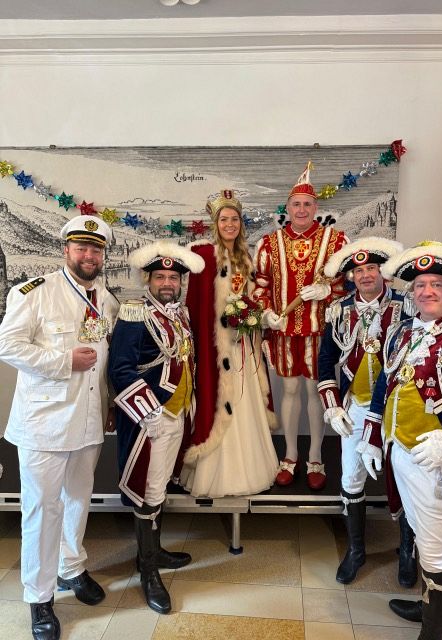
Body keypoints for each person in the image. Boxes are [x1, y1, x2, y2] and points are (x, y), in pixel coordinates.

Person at [0, 215, 119, 640]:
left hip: (87, 420)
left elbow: (105, 358)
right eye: (81, 247)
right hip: (44, 424)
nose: (89, 255)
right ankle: (39, 596)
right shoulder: (34, 292)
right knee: (42, 509)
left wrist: (108, 401)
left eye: (96, 249)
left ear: (103, 255)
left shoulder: (106, 300)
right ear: (65, 249)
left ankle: (71, 567)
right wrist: (63, 361)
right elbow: (7, 345)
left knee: (77, 499)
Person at [358, 241, 442, 640]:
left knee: (439, 551)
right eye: (420, 285)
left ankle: (435, 632)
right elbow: (385, 383)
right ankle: (437, 610)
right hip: (402, 453)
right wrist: (372, 436)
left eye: (437, 284)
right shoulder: (404, 332)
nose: (426, 291)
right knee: (424, 538)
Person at [108, 240, 204, 614]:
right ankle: (148, 571)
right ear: (147, 279)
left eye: (173, 278)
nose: (167, 283)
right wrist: (147, 411)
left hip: (177, 413)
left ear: (180, 282)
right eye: (160, 277)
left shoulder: (180, 314)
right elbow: (120, 369)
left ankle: (154, 552)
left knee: (160, 486)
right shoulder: (135, 313)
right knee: (148, 490)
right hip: (151, 415)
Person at [318, 237, 417, 585]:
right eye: (358, 270)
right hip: (356, 407)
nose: (365, 275)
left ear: (383, 272)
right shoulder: (338, 310)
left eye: (371, 268)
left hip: (398, 408)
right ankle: (356, 550)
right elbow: (326, 360)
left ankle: (408, 552)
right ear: (351, 276)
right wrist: (332, 406)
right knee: (350, 478)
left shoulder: (407, 306)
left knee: (405, 479)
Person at [253, 162, 348, 489]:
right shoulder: (269, 243)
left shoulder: (336, 241)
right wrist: (266, 313)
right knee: (290, 390)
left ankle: (316, 456)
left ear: (315, 207)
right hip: (284, 331)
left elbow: (348, 284)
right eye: (296, 204)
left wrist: (327, 291)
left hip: (320, 332)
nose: (302, 209)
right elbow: (260, 286)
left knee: (315, 391)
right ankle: (291, 455)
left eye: (307, 204)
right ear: (288, 208)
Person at [180, 189, 278, 497]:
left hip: (244, 345)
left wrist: (253, 317)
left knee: (245, 399)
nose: (230, 224)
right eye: (224, 219)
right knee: (219, 397)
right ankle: (216, 471)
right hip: (217, 346)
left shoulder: (246, 257)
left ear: (240, 223)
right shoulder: (203, 256)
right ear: (216, 223)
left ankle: (249, 469)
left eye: (234, 219)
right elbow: (196, 305)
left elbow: (254, 298)